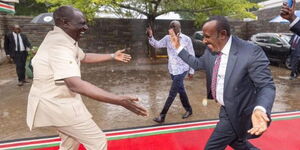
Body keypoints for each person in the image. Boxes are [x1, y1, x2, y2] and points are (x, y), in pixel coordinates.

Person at [26, 6, 148, 150]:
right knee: (97, 142)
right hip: (58, 106)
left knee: (70, 143)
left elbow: (84, 56)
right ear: (65, 23)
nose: (86, 27)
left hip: (57, 102)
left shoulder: (61, 37)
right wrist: (118, 100)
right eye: (81, 23)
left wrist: (112, 56)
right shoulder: (59, 45)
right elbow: (75, 84)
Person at [170, 16, 275, 150]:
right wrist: (178, 48)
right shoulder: (211, 50)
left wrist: (260, 108)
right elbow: (197, 64)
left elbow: (266, 86)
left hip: (240, 112)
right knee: (237, 142)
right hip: (225, 109)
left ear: (223, 34)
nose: (204, 40)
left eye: (207, 36)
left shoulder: (250, 52)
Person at [146, 21, 195, 123]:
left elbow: (191, 55)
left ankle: (162, 115)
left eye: (174, 26)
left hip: (182, 69)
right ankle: (189, 110)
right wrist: (151, 36)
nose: (172, 28)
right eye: (171, 27)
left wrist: (192, 70)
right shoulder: (167, 38)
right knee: (181, 91)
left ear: (179, 28)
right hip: (172, 69)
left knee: (172, 93)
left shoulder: (186, 39)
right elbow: (157, 44)